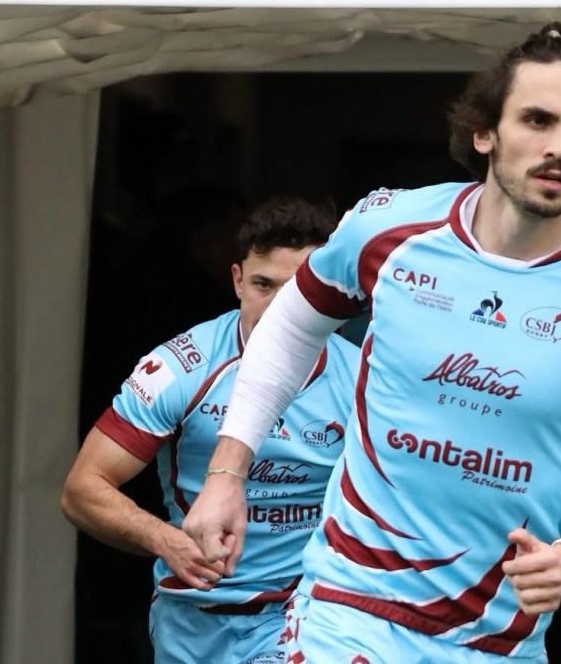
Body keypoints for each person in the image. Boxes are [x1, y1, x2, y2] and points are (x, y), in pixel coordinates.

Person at [182, 22, 561, 663]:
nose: (558, 146)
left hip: (495, 638)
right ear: (485, 132)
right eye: (536, 120)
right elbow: (291, 326)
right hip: (348, 608)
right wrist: (227, 473)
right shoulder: (389, 229)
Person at [61, 196, 359, 664]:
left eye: (298, 290)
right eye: (263, 285)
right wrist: (164, 540)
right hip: (191, 616)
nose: (279, 309)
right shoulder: (181, 366)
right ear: (237, 280)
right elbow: (82, 489)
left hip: (304, 615)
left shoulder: (363, 379)